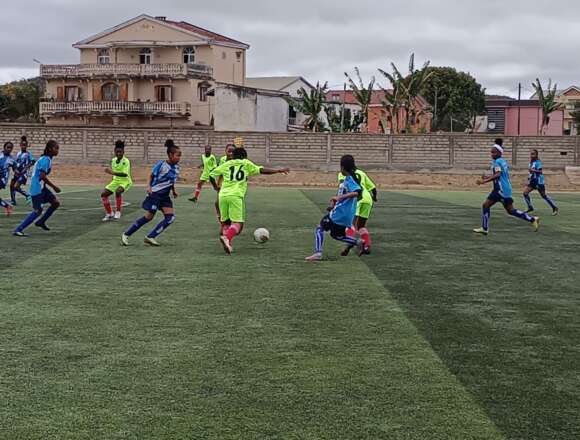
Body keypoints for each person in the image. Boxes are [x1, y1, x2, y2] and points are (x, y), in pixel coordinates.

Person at [209, 147, 289, 255]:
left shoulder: (227, 164)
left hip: (223, 195)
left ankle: (228, 243)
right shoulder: (245, 163)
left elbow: (211, 175)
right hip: (235, 196)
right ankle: (227, 238)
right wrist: (278, 170)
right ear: (244, 156)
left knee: (226, 223)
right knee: (238, 224)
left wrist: (216, 187)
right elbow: (261, 170)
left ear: (233, 155)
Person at [473, 139, 539, 235]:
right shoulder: (502, 161)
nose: (492, 154)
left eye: (494, 152)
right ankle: (532, 219)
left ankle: (485, 228)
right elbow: (501, 174)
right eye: (491, 152)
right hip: (506, 189)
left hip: (500, 190)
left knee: (485, 205)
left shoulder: (496, 162)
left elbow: (498, 174)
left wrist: (484, 181)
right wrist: (488, 177)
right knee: (511, 210)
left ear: (499, 153)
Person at [121, 142, 181, 247]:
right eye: (178, 155)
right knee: (149, 217)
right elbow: (151, 176)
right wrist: (148, 187)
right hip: (155, 194)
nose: (179, 158)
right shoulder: (162, 164)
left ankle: (150, 236)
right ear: (170, 155)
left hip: (165, 197)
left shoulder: (176, 168)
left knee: (170, 218)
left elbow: (170, 181)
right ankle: (126, 234)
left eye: (180, 155)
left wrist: (174, 190)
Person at [306, 155, 364, 262]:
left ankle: (318, 253)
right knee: (337, 235)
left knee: (320, 228)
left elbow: (356, 193)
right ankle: (357, 242)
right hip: (343, 215)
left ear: (342, 167)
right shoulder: (347, 180)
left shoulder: (350, 179)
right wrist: (333, 205)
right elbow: (344, 196)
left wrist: (339, 197)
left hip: (340, 214)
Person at [13, 140, 61, 236]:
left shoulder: (46, 159)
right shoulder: (46, 160)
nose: (57, 150)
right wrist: (54, 187)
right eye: (56, 148)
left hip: (41, 187)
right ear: (50, 149)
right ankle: (18, 229)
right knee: (37, 211)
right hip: (36, 188)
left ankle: (41, 222)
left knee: (55, 203)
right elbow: (42, 176)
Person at [338, 163, 377, 256]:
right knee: (361, 226)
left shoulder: (343, 174)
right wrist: (374, 197)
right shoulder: (361, 173)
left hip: (357, 198)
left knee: (351, 224)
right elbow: (373, 187)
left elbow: (343, 187)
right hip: (367, 199)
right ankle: (366, 246)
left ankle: (349, 242)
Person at [101, 140, 132, 221]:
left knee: (118, 191)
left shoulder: (126, 161)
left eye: (120, 152)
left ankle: (118, 212)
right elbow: (114, 172)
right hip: (116, 181)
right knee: (104, 194)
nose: (119, 153)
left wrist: (112, 172)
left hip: (125, 181)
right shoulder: (113, 160)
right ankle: (109, 213)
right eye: (117, 152)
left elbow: (125, 174)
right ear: (114, 151)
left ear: (123, 152)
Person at [523, 149, 559, 216]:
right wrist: (529, 176)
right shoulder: (531, 162)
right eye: (531, 154)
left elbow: (540, 171)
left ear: (536, 155)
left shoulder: (538, 162)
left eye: (533, 154)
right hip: (532, 181)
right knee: (525, 193)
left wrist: (532, 170)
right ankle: (530, 207)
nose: (531, 155)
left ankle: (555, 207)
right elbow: (531, 172)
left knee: (543, 195)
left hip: (538, 181)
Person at [10, 136, 35, 205]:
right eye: (22, 145)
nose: (23, 146)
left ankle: (27, 195)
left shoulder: (28, 154)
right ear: (20, 145)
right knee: (12, 185)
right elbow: (16, 162)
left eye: (25, 145)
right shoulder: (18, 153)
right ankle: (13, 200)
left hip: (24, 173)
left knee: (16, 187)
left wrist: (26, 168)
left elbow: (33, 161)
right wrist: (14, 169)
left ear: (27, 146)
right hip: (17, 172)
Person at [0, 141, 16, 216]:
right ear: (4, 147)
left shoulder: (11, 159)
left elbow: (15, 169)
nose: (9, 149)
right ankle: (7, 206)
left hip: (2, 179)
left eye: (11, 148)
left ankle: (7, 206)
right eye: (8, 147)